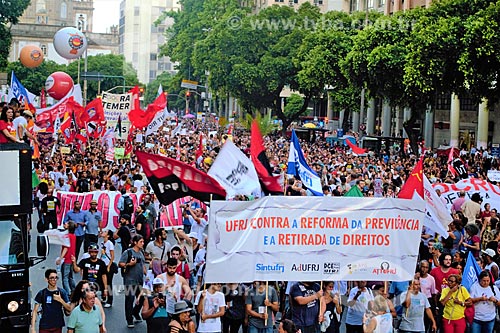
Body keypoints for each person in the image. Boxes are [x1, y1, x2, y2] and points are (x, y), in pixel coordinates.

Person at [31, 269, 72, 333]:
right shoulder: (42, 293)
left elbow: (69, 308)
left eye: (56, 278)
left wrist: (60, 300)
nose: (54, 280)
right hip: (44, 326)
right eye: (52, 278)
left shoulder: (62, 292)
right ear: (47, 279)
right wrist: (33, 328)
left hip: (57, 325)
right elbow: (35, 311)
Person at [119, 234, 146, 328]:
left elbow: (143, 265)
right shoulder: (128, 252)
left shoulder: (141, 252)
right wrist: (129, 264)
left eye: (143, 242)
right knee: (129, 300)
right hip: (130, 280)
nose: (143, 243)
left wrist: (146, 274)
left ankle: (135, 312)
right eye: (141, 242)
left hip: (140, 280)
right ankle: (129, 319)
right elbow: (121, 264)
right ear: (135, 242)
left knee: (142, 298)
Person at [56, 221, 77, 295]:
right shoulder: (73, 236)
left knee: (65, 278)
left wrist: (60, 258)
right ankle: (74, 290)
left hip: (67, 259)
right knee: (70, 276)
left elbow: (66, 248)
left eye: (67, 224)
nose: (65, 224)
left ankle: (67, 293)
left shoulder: (66, 236)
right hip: (72, 258)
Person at [99, 229, 116, 308]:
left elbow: (112, 256)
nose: (103, 232)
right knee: (102, 281)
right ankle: (103, 296)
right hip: (102, 264)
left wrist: (109, 266)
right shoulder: (102, 243)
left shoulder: (110, 244)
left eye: (105, 232)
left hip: (107, 265)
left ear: (108, 236)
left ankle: (110, 300)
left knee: (109, 283)